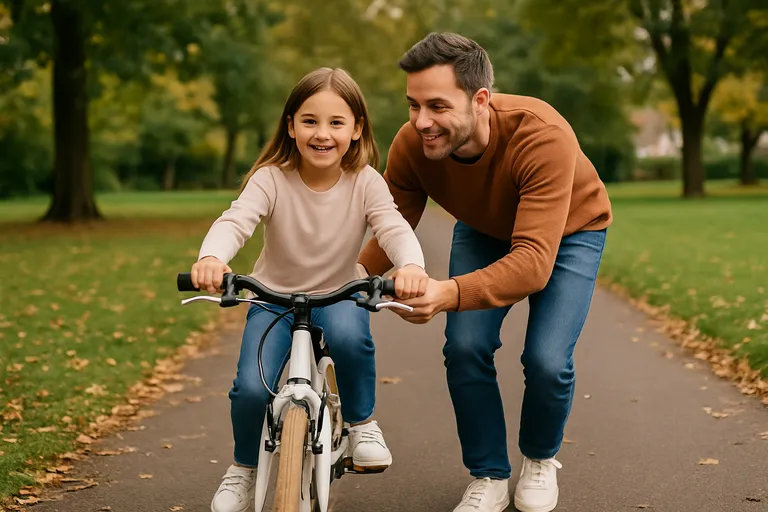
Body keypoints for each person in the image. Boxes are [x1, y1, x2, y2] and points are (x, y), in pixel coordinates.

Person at [357, 33, 613, 512]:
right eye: (413, 105)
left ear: (480, 100)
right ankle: (489, 474)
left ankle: (539, 457)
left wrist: (446, 293)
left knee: (547, 360)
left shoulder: (541, 133)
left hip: (569, 233)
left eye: (436, 105)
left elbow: (534, 262)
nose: (421, 122)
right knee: (465, 345)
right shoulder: (412, 145)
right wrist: (343, 282)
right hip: (483, 228)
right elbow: (390, 229)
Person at [191, 67, 429, 512]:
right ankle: (244, 469)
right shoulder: (271, 178)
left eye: (337, 123)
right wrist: (212, 257)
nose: (323, 133)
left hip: (339, 293)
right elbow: (237, 220)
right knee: (249, 387)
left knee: (350, 338)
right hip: (273, 299)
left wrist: (411, 265)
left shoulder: (365, 182)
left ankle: (361, 425)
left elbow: (393, 227)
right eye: (310, 121)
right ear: (291, 126)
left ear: (357, 129)